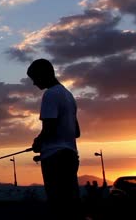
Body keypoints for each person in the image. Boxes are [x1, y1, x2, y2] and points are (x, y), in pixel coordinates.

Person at [28, 58, 81, 219]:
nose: (34, 83)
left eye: (34, 78)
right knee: (71, 204)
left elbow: (49, 128)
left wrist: (38, 143)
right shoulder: (68, 95)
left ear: (43, 75)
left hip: (54, 159)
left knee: (58, 205)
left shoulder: (50, 94)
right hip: (71, 156)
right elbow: (76, 132)